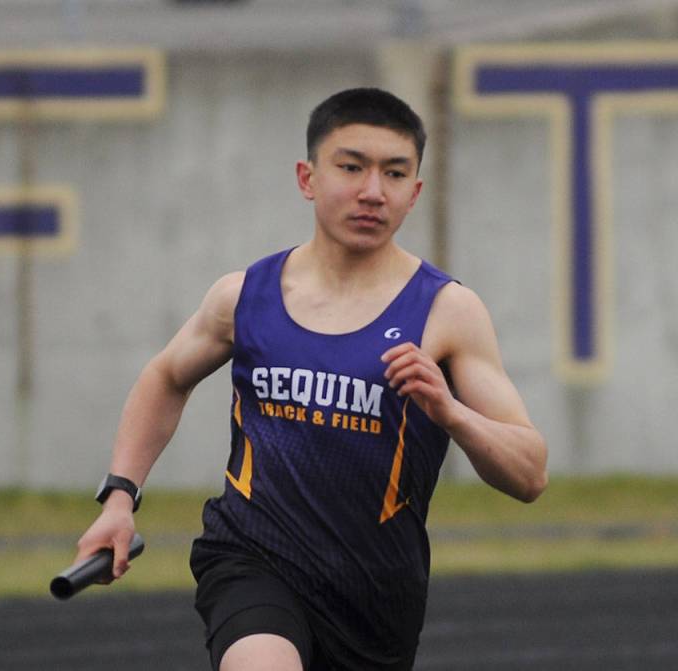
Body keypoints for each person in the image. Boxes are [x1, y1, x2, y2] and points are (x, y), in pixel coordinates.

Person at [74, 87, 548, 671]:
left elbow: (530, 473)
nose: (372, 191)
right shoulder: (244, 296)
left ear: (414, 193)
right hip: (252, 560)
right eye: (351, 167)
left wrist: (451, 413)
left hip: (375, 597)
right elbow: (166, 377)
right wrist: (120, 499)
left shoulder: (447, 312)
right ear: (308, 178)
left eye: (394, 174)